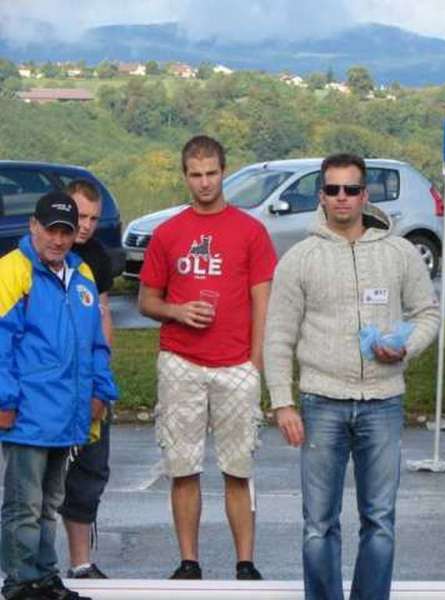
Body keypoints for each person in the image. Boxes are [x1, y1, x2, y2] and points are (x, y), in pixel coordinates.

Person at [264, 153, 440, 600]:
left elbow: (428, 315)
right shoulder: (299, 259)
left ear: (366, 194)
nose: (342, 198)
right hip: (321, 402)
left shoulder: (399, 253)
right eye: (333, 189)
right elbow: (278, 335)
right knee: (318, 525)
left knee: (379, 521)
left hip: (383, 402)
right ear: (321, 196)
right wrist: (283, 401)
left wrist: (406, 346)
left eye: (352, 189)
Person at [138, 135, 276, 581]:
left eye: (211, 173)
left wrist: (255, 362)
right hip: (181, 360)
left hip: (236, 363)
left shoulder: (250, 230)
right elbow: (146, 300)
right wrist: (177, 310)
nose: (204, 183)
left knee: (238, 466)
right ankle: (189, 560)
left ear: (223, 172)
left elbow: (263, 301)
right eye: (195, 175)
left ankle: (245, 561)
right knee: (184, 465)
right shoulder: (169, 232)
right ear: (185, 176)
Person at [0, 191, 118, 600]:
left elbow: (96, 343)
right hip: (27, 414)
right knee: (23, 506)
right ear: (33, 226)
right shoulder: (12, 271)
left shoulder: (82, 274)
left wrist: (102, 391)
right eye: (51, 229)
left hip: (67, 416)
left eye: (66, 232)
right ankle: (19, 582)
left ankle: (45, 577)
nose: (58, 239)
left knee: (51, 504)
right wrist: (4, 401)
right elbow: (1, 342)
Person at [57, 180, 115, 580]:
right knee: (41, 480)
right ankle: (33, 564)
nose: (87, 226)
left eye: (95, 218)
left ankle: (80, 562)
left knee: (90, 472)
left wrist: (102, 377)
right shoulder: (38, 255)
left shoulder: (96, 256)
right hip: (50, 384)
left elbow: (105, 314)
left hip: (90, 379)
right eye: (80, 216)